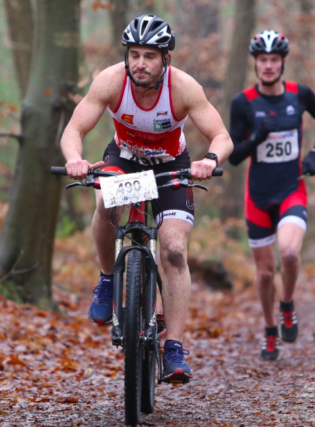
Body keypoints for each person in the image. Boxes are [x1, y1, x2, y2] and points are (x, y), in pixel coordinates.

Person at [60, 15, 233, 383]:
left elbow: (222, 136)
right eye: (134, 54)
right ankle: (108, 279)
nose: (140, 63)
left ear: (165, 59)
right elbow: (74, 128)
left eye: (149, 56)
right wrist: (74, 159)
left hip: (171, 166)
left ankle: (174, 348)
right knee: (105, 202)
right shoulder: (110, 81)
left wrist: (210, 160)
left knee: (172, 249)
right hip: (125, 159)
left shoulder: (184, 88)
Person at [228, 30, 315, 360]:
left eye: (274, 60)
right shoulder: (243, 102)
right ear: (256, 64)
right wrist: (255, 140)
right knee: (263, 273)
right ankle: (270, 328)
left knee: (288, 253)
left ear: (283, 62)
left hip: (291, 190)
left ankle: (287, 303)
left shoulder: (299, 95)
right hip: (257, 196)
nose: (269, 66)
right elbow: (233, 155)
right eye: (263, 60)